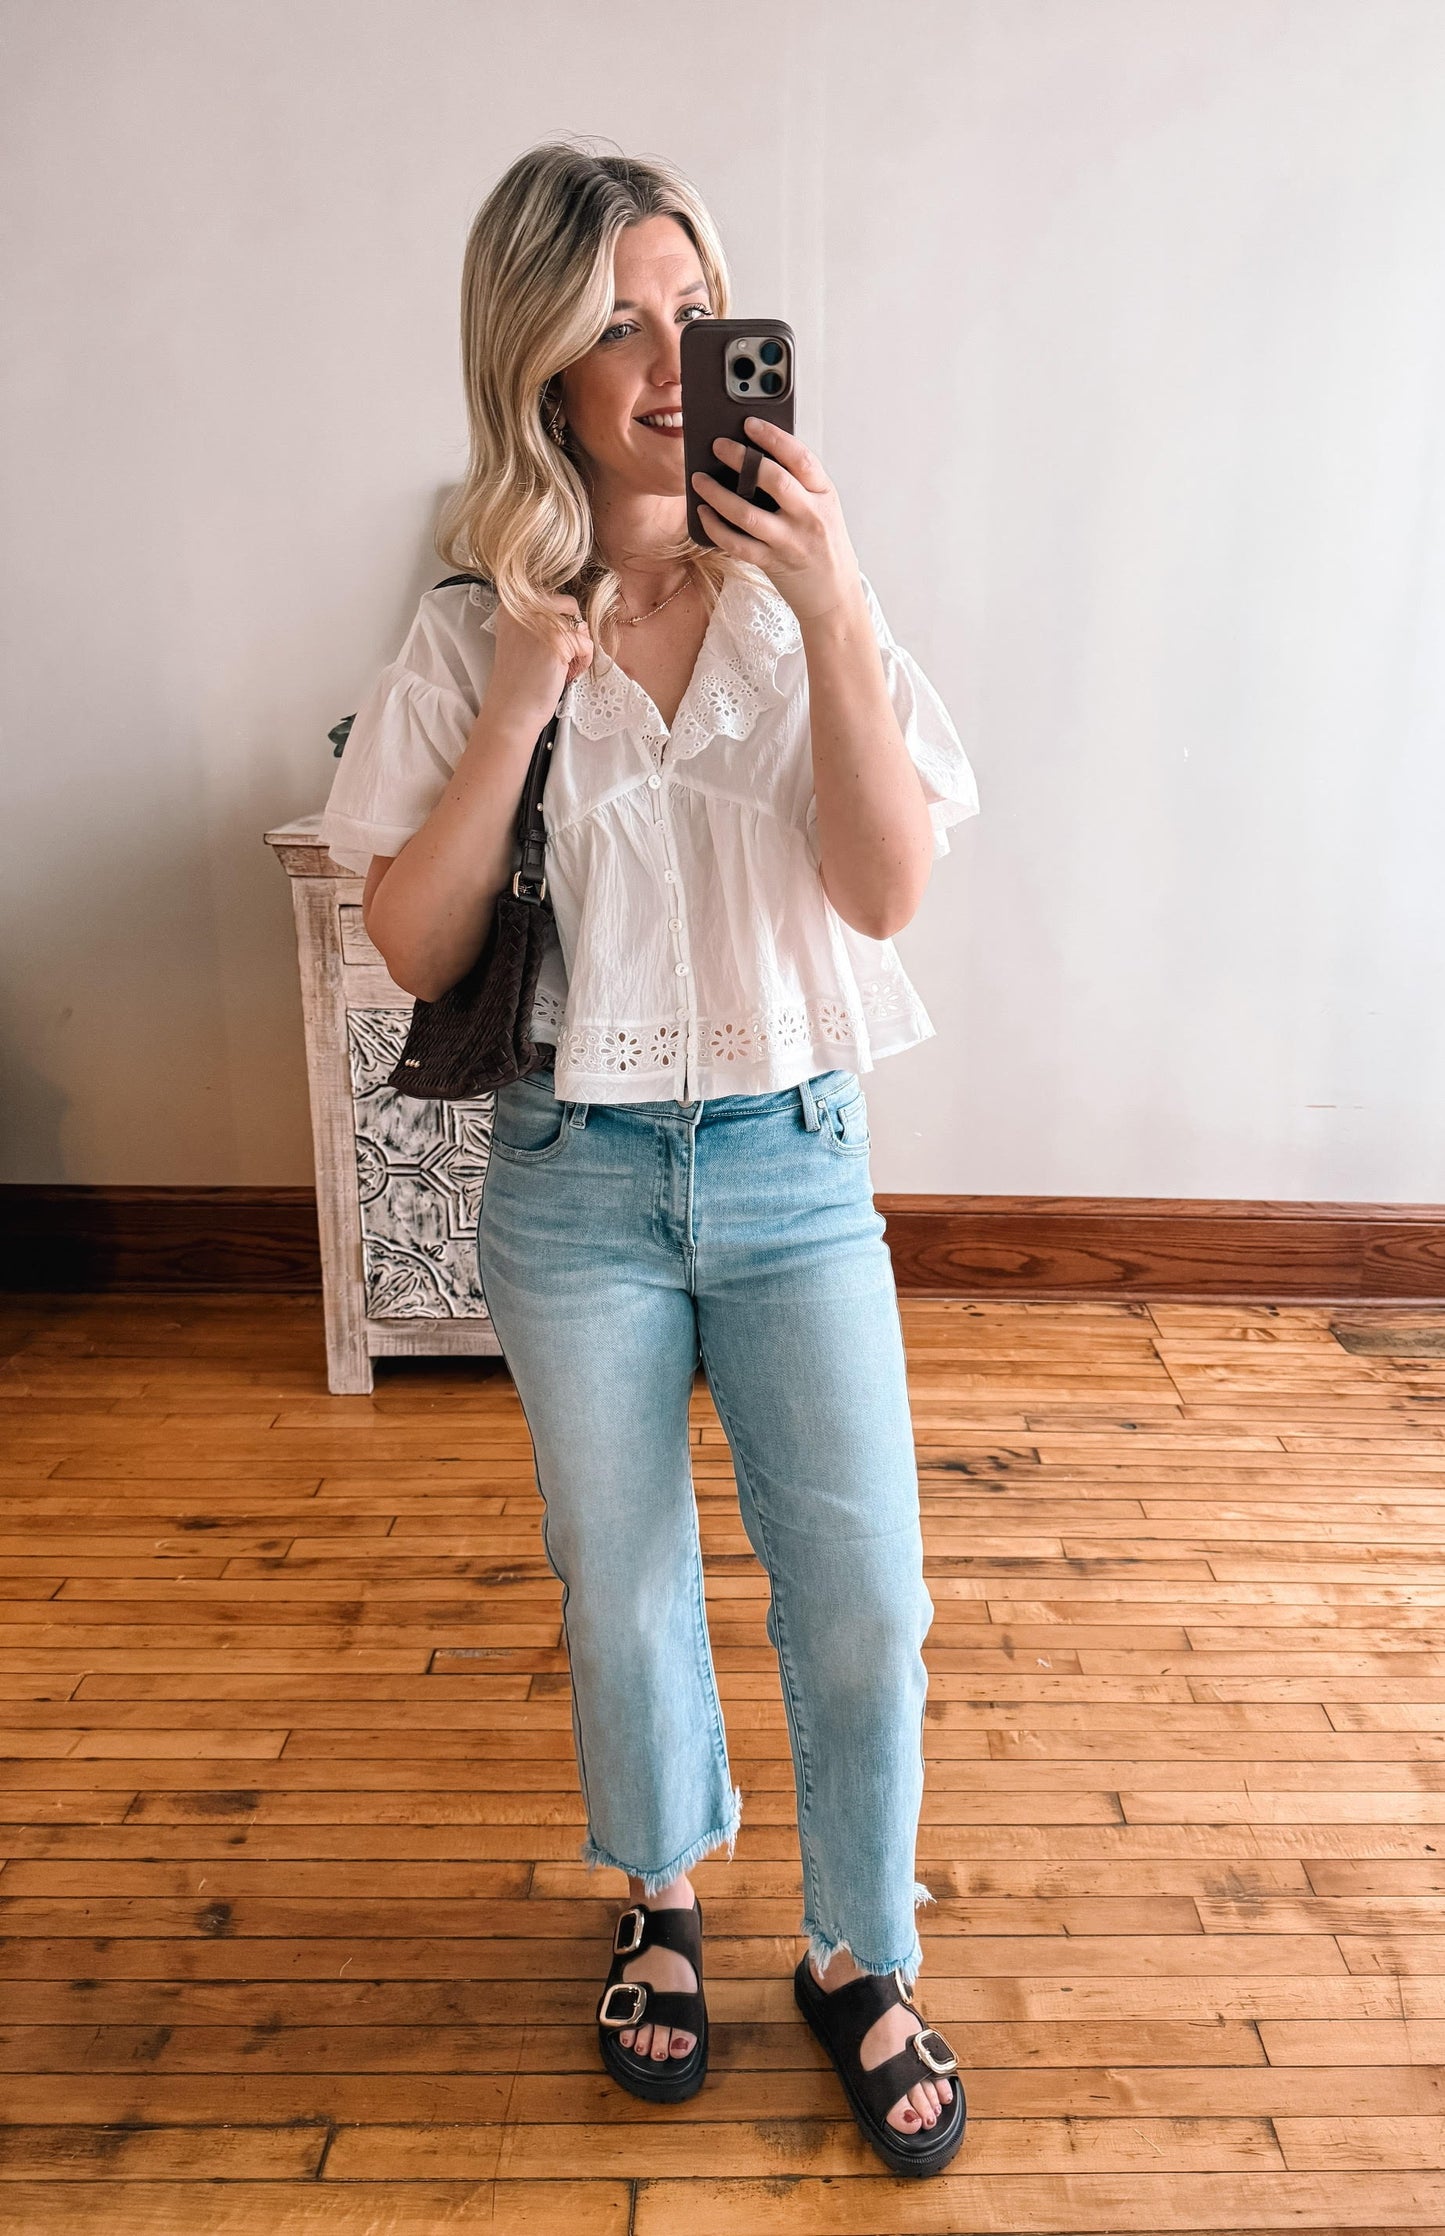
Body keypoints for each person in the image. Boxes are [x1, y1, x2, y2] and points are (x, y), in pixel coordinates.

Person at [318, 141, 978, 2177]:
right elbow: (408, 943)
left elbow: (883, 890)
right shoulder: (467, 631)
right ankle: (661, 1895)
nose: (672, 352)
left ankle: (863, 1943)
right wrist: (521, 693)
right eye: (620, 317)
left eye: (695, 307)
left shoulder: (808, 612)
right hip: (573, 1186)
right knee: (626, 1596)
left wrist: (839, 600)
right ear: (539, 361)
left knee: (864, 1597)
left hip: (792, 1163)